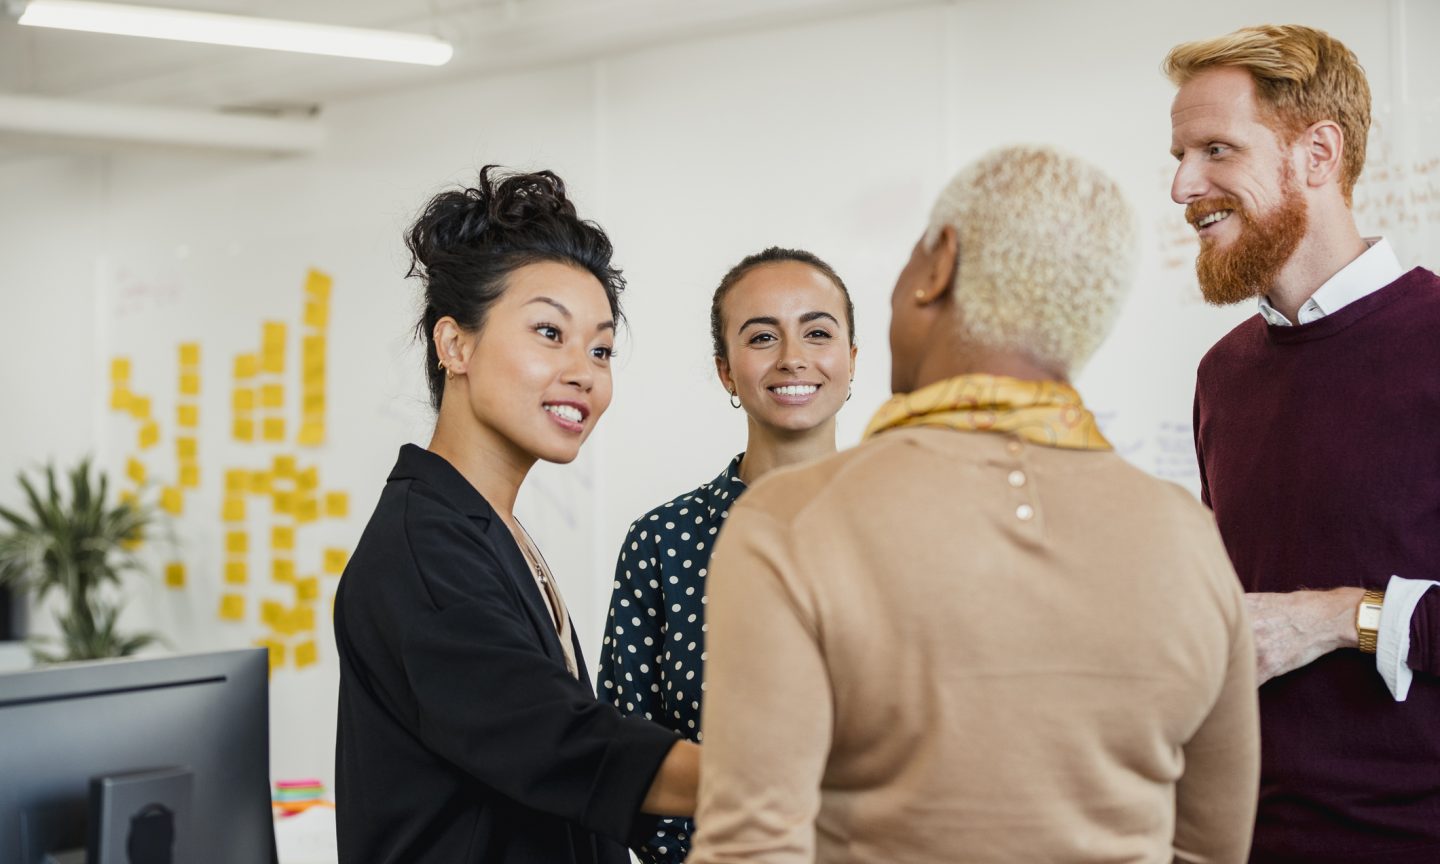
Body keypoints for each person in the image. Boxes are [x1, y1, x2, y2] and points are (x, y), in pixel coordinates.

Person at [687, 145, 1260, 863]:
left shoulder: (789, 521)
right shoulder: (1187, 537)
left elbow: (751, 851)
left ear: (939, 265)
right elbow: (1210, 850)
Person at [333, 167, 699, 864]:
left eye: (600, 349)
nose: (584, 372)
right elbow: (560, 742)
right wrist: (788, 778)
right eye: (548, 332)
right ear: (455, 345)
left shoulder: (483, 525)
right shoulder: (422, 553)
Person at [1166, 24, 1440, 862]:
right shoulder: (1222, 374)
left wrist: (1339, 618)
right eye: (1179, 156)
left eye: (1216, 150)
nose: (1183, 186)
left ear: (1318, 154)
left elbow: (1295, 623)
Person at [599, 247, 857, 862]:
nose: (792, 357)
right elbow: (623, 758)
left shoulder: (910, 526)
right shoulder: (663, 541)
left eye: (818, 332)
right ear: (725, 371)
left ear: (852, 359)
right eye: (762, 336)